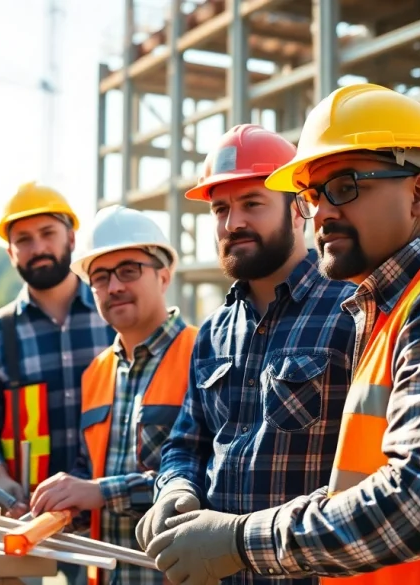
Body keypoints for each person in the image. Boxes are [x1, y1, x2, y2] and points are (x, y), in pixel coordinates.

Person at [143, 83, 420, 585]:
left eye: (345, 187)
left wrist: (240, 540)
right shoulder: (387, 310)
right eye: (315, 194)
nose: (324, 212)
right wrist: (183, 495)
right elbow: (354, 484)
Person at [135, 124, 358, 585]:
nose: (232, 222)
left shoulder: (352, 312)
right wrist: (175, 488)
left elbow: (365, 473)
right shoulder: (214, 333)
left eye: (252, 204)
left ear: (300, 209)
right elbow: (186, 442)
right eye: (221, 208)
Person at [29, 205, 194, 585]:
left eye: (129, 271)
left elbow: (205, 477)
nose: (114, 286)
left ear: (164, 275)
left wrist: (99, 492)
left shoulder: (204, 356)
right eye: (100, 277)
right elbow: (92, 474)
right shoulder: (97, 373)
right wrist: (64, 501)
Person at [0, 181, 115, 585]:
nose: (37, 247)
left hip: (104, 519)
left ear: (71, 237)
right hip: (23, 520)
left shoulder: (113, 316)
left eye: (48, 233)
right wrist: (0, 481)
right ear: (10, 251)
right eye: (23, 239)